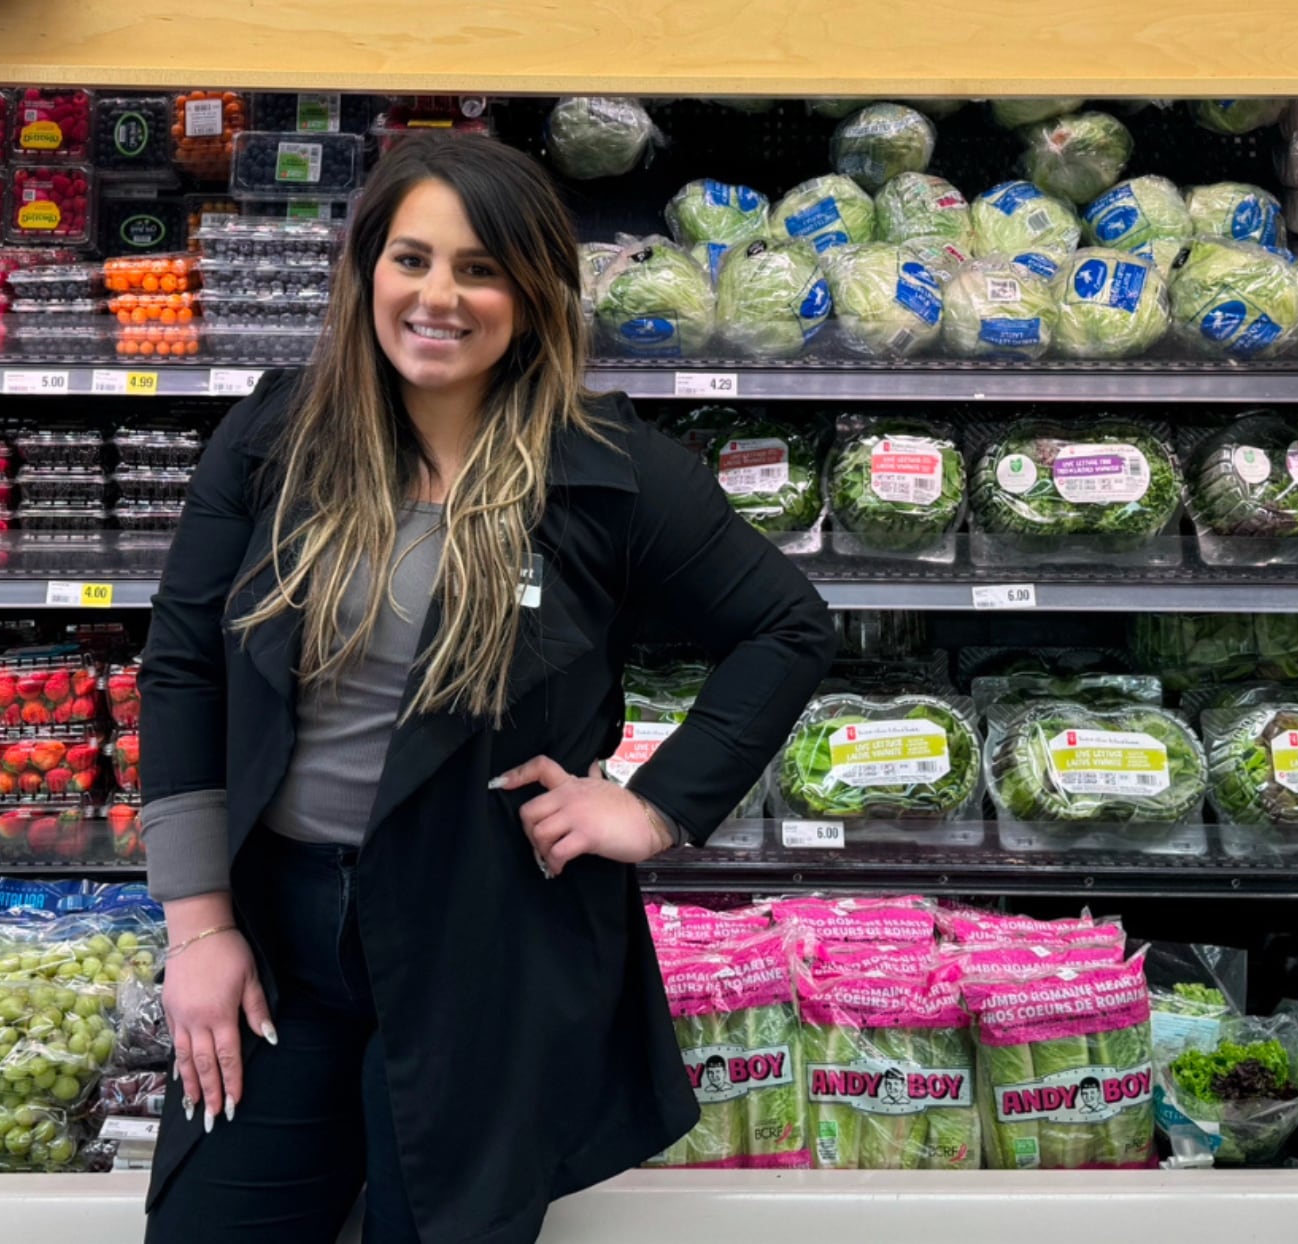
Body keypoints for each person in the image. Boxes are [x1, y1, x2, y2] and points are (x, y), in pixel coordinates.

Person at [139, 132, 835, 1244]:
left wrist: (652, 807)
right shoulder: (274, 437)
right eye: (410, 259)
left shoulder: (605, 468)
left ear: (530, 292)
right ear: (366, 269)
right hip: (276, 933)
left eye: (479, 268)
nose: (438, 297)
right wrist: (197, 928)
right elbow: (181, 662)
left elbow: (784, 625)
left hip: (487, 938)